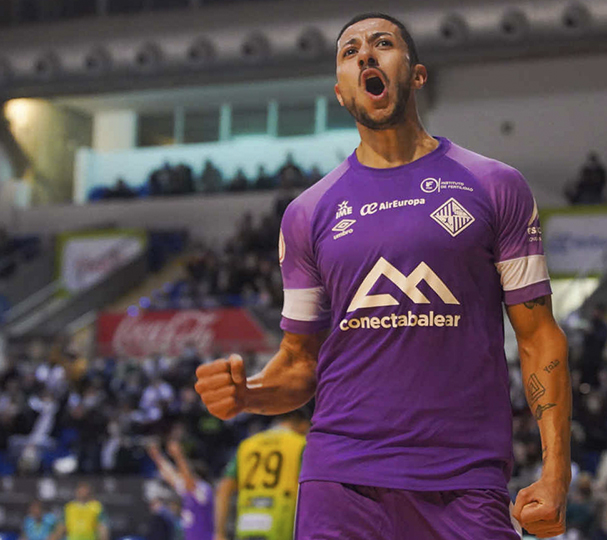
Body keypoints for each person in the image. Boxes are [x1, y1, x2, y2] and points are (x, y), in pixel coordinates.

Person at [195, 12, 572, 540]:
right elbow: (300, 364)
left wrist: (557, 471)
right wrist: (249, 393)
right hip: (340, 480)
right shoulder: (307, 212)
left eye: (382, 44)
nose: (365, 55)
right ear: (342, 93)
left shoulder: (494, 186)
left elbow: (538, 337)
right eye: (350, 51)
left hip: (464, 480)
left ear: (417, 74)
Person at [215, 409, 310, 540]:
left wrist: (219, 533)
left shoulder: (247, 445)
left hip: (247, 525)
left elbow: (224, 488)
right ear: (303, 424)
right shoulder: (301, 444)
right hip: (283, 525)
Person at [146, 437, 214, 540]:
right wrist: (156, 456)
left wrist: (178, 455)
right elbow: (171, 475)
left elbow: (188, 479)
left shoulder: (203, 489)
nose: (181, 477)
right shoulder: (188, 490)